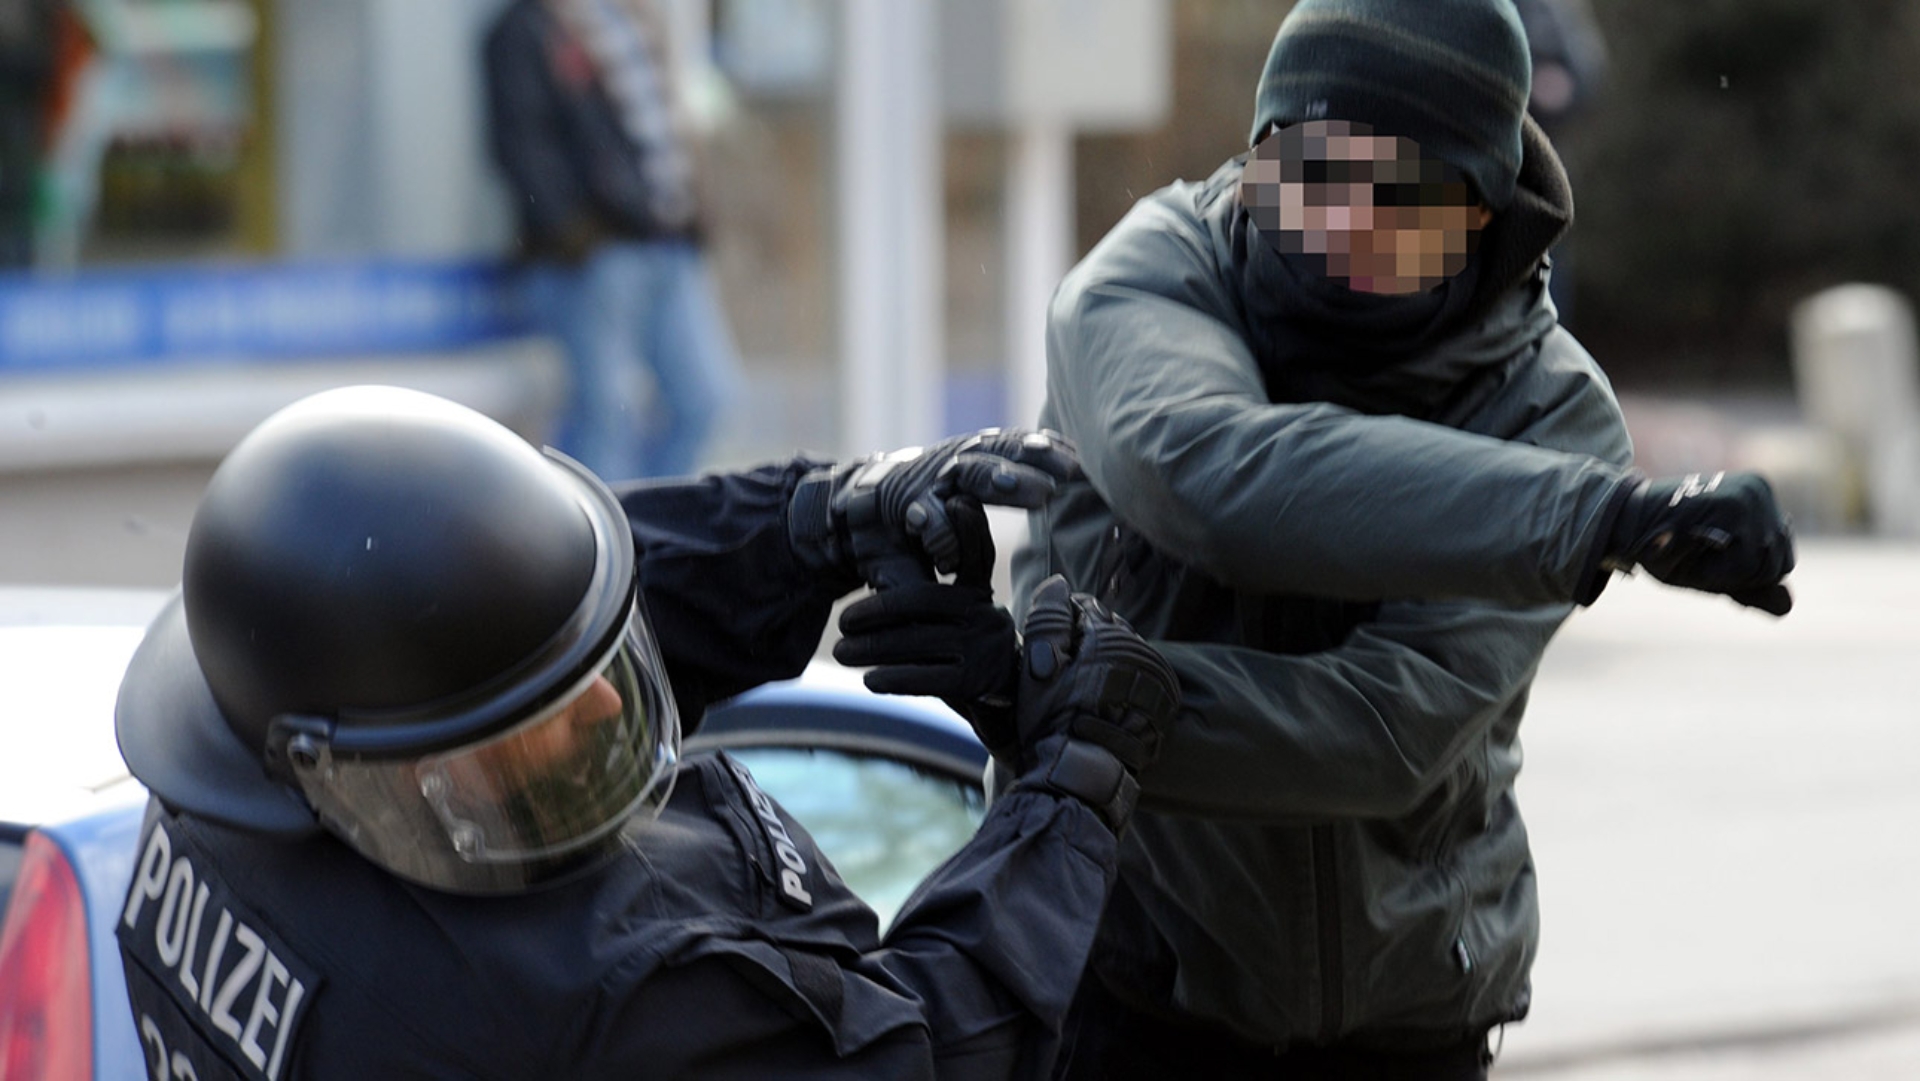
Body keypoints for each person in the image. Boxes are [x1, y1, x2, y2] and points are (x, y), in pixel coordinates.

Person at [990, 1, 1793, 1077]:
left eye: (1397, 194)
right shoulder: (1146, 280)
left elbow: (1377, 729)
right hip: (1127, 981)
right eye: (1307, 170)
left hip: (1410, 1013)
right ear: (1259, 152)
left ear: (1483, 210)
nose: (1338, 222)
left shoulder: (1549, 416)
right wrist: (1591, 518)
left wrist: (1061, 702)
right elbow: (1207, 474)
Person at [112, 385, 1180, 1079]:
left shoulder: (233, 791)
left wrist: (810, 523)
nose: (614, 700)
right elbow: (935, 1051)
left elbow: (487, 627)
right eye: (547, 710)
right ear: (403, 787)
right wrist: (1068, 797)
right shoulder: (603, 1008)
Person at [483, 0, 739, 479]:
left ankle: (648, 529)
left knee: (705, 397)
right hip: (599, 257)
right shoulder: (524, 30)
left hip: (668, 243)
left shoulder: (626, 17)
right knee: (605, 415)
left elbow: (667, 127)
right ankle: (595, 544)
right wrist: (578, 233)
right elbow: (520, 146)